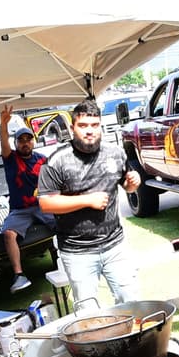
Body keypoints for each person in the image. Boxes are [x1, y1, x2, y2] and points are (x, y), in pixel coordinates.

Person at [36, 100, 142, 306]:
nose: (89, 131)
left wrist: (132, 184)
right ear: (72, 128)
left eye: (94, 125)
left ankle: (132, 340)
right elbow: (46, 203)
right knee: (88, 312)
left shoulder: (116, 152)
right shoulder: (56, 161)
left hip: (115, 245)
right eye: (83, 126)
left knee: (131, 301)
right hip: (77, 252)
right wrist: (87, 200)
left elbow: (126, 186)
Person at [0, 104, 59, 292]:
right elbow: (4, 144)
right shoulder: (10, 158)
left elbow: (54, 183)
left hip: (42, 205)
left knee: (65, 222)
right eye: (21, 140)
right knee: (8, 234)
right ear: (16, 143)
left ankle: (70, 259)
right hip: (20, 209)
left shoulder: (42, 160)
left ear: (33, 142)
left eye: (28, 139)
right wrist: (3, 125)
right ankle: (19, 276)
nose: (25, 143)